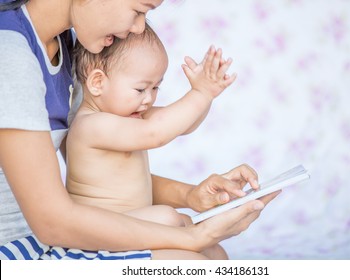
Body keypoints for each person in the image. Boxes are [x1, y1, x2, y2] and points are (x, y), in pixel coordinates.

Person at [0, 0, 280, 260]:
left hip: (53, 235)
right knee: (192, 256)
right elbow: (53, 222)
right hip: (21, 249)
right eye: (138, 9)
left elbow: (109, 175)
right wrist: (191, 236)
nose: (139, 27)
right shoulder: (11, 51)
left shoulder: (68, 45)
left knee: (213, 253)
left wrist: (191, 196)